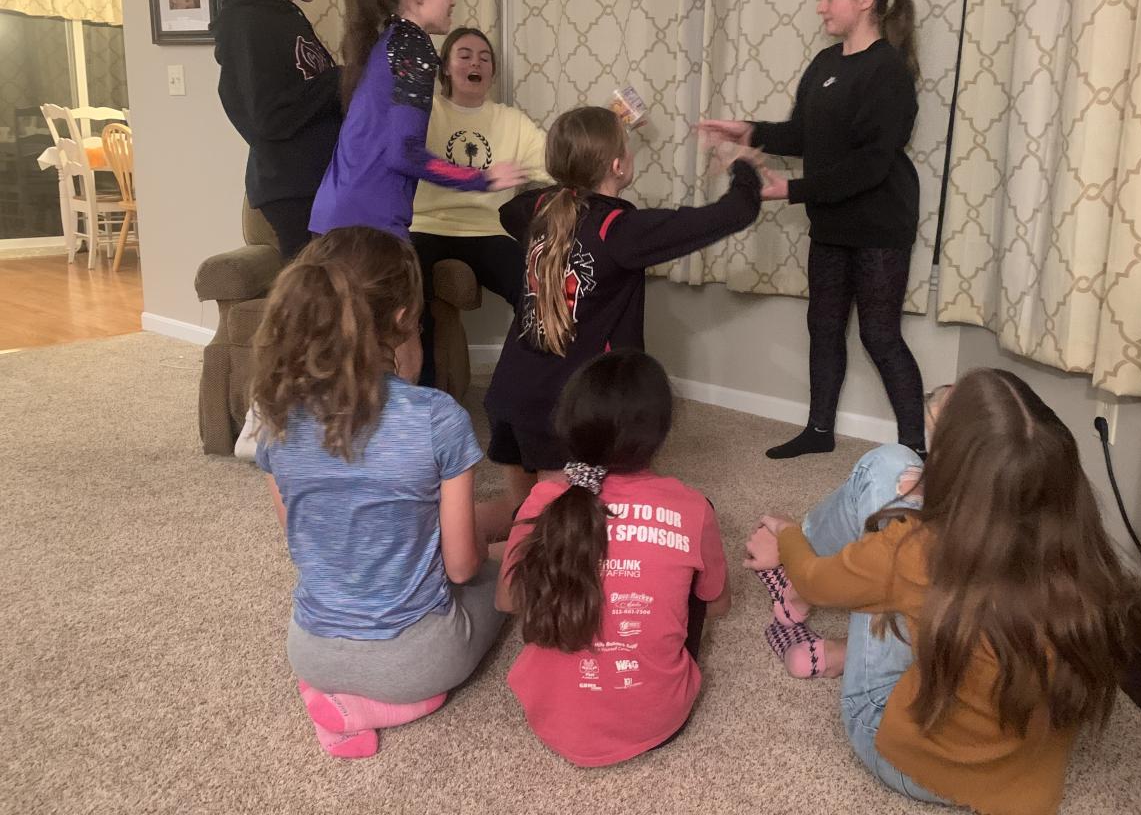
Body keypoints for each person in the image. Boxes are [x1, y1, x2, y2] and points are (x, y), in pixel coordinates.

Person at [743, 368, 1135, 815]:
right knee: (934, 584)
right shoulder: (1085, 554)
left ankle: (800, 588)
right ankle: (847, 650)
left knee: (885, 464)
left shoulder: (918, 551)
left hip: (908, 758)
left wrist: (788, 538)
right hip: (1026, 780)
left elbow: (818, 580)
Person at [251, 226, 512, 758]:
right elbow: (462, 567)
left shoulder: (277, 417)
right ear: (403, 319)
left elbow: (307, 537)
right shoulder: (436, 417)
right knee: (510, 571)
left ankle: (331, 693)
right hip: (415, 660)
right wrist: (507, 543)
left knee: (463, 526)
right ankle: (374, 707)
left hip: (310, 650)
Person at [484, 105, 780, 509]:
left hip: (509, 394)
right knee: (559, 526)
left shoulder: (535, 210)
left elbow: (509, 211)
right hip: (563, 410)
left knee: (522, 513)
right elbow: (736, 212)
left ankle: (462, 535)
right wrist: (740, 162)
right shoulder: (620, 232)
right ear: (618, 165)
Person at [700, 0, 926, 460]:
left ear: (865, 0)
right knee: (822, 328)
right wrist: (747, 130)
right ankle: (819, 431)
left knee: (879, 336)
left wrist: (791, 190)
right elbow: (803, 135)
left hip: (880, 224)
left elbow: (870, 166)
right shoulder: (825, 64)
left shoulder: (888, 71)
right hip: (831, 221)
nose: (821, 6)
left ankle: (915, 449)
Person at [496, 350, 731, 766]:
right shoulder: (694, 508)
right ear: (660, 434)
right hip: (658, 719)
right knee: (692, 579)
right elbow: (717, 605)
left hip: (550, 715)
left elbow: (508, 600)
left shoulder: (544, 500)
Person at [309, 0, 524, 240]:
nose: (452, 1)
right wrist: (481, 178)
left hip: (338, 218)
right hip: (367, 227)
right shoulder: (413, 46)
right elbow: (404, 153)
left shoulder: (391, 39)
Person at [410, 26, 553, 387]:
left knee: (536, 291)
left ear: (492, 72)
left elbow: (559, 162)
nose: (476, 63)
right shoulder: (424, 111)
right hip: (426, 226)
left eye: (485, 58)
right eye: (465, 55)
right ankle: (424, 393)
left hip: (489, 230)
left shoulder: (512, 121)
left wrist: (611, 128)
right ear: (445, 67)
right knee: (411, 297)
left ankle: (522, 386)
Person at [214, 0, 341, 259]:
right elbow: (266, 116)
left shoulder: (287, 16)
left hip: (317, 183)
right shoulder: (249, 21)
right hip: (292, 189)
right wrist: (338, 80)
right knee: (311, 288)